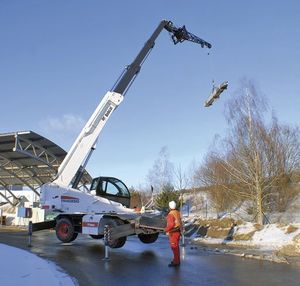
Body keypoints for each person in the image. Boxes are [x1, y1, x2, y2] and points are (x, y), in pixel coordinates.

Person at [165, 200, 182, 267]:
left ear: (170, 207)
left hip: (173, 233)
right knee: (176, 247)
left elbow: (171, 224)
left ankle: (176, 262)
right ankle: (177, 260)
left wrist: (166, 229)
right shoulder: (177, 212)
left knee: (174, 247)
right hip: (177, 231)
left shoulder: (171, 214)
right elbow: (180, 221)